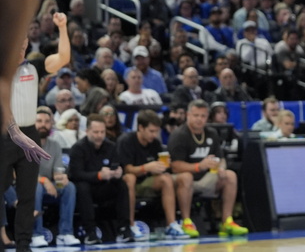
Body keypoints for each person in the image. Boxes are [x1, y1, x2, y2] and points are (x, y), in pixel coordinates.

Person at [5, 12, 70, 252]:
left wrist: (62, 28)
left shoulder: (34, 66)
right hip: (5, 135)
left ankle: (23, 246)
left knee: (27, 194)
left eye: (24, 43)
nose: (21, 46)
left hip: (29, 133)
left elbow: (63, 57)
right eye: (16, 42)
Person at [168, 100, 248, 238]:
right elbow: (175, 166)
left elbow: (220, 158)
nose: (199, 119)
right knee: (186, 177)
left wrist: (221, 168)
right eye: (196, 115)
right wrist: (199, 166)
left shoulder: (211, 133)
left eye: (203, 116)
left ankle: (226, 222)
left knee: (230, 175)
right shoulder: (179, 135)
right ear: (188, 115)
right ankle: (186, 222)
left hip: (205, 179)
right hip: (181, 180)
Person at [117, 109, 193, 239]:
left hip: (148, 182)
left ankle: (171, 225)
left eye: (156, 131)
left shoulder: (155, 144)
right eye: (151, 131)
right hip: (128, 184)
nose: (154, 135)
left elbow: (161, 169)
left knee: (166, 178)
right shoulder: (126, 141)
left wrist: (163, 166)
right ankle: (130, 226)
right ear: (140, 127)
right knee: (129, 178)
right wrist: (146, 167)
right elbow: (127, 169)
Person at [69, 114, 133, 244]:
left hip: (105, 186)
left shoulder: (111, 146)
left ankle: (124, 228)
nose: (99, 135)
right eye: (96, 132)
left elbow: (117, 164)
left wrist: (118, 172)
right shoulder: (78, 148)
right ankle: (90, 232)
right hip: (87, 187)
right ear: (87, 132)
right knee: (82, 187)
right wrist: (98, 175)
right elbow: (75, 174)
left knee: (122, 184)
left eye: (102, 132)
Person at [30, 107, 79, 248]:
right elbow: (24, 173)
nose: (43, 124)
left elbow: (58, 170)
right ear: (33, 124)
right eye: (39, 121)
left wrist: (61, 178)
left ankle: (65, 234)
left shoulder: (55, 145)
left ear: (52, 124)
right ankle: (36, 234)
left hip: (50, 186)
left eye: (46, 121)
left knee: (69, 187)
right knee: (36, 187)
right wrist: (44, 181)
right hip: (28, 187)